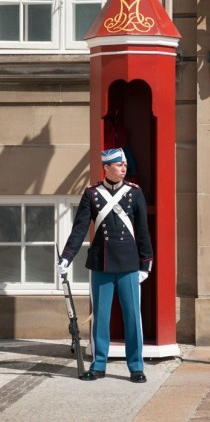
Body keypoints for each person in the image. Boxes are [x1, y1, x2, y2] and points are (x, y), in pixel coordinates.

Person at [57, 148, 153, 382]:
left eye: (124, 165)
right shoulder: (92, 194)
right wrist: (67, 256)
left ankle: (136, 367)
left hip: (129, 264)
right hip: (101, 264)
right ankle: (99, 365)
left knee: (132, 317)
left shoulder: (134, 193)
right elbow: (79, 229)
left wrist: (145, 264)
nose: (123, 168)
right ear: (107, 167)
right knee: (100, 317)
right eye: (119, 165)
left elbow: (142, 231)